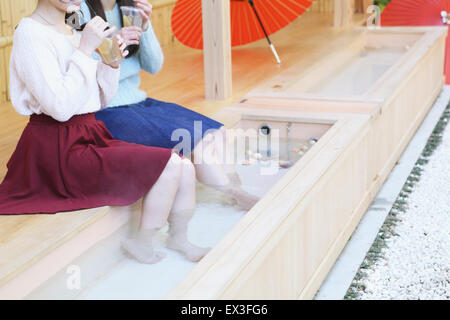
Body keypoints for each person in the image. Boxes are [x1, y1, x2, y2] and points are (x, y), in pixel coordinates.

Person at [0, 0, 209, 264]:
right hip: (56, 148)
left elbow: (99, 100)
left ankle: (179, 237)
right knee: (168, 164)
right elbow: (59, 107)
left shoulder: (73, 27)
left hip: (88, 132)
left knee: (185, 166)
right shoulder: (30, 33)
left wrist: (110, 64)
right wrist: (86, 50)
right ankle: (140, 242)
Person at [79, 0, 260, 210]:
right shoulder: (82, 9)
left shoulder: (129, 6)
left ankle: (236, 192)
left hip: (140, 102)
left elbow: (154, 65)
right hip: (106, 110)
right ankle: (237, 195)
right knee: (195, 140)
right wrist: (112, 45)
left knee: (216, 132)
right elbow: (79, 69)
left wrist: (146, 27)